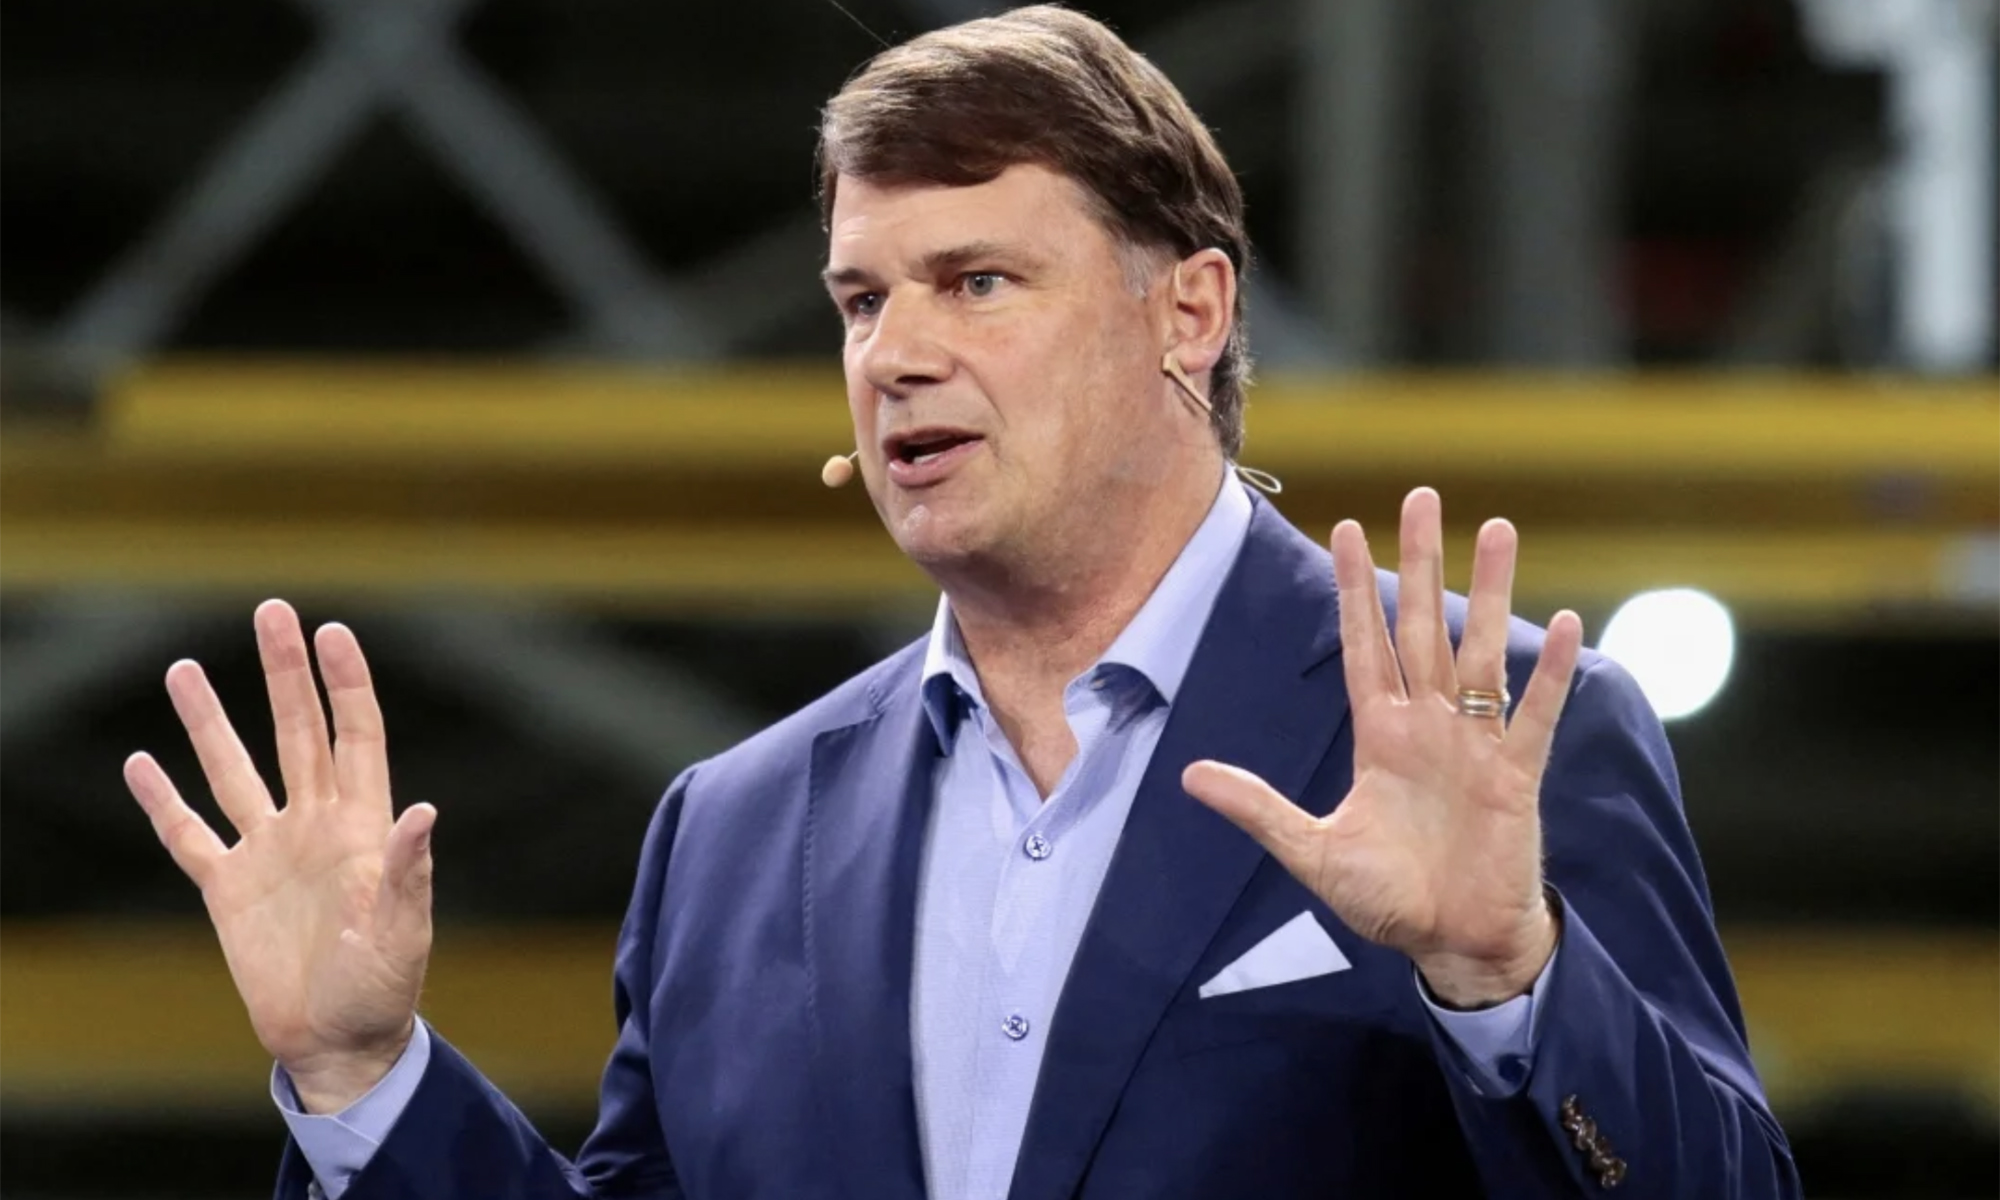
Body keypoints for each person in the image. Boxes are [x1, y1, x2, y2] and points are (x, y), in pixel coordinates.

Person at [124, 7, 1800, 1198]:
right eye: (862, 299)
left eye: (977, 282)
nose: (897, 352)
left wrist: (1510, 976)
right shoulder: (733, 833)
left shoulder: (1480, 725)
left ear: (1190, 309)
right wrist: (365, 1081)